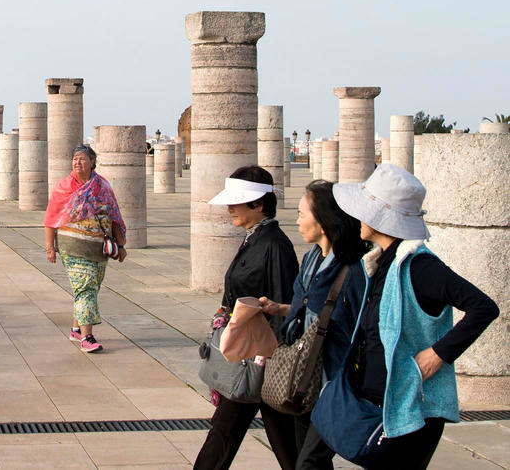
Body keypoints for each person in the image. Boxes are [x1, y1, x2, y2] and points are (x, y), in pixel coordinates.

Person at [327, 164, 498, 469]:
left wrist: (438, 354)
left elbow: (483, 307)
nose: (359, 218)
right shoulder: (381, 263)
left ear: (384, 217)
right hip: (385, 406)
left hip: (414, 413)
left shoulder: (421, 267)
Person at [193, 166, 299, 470]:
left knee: (229, 431)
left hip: (258, 359)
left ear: (259, 204)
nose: (230, 209)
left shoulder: (275, 245)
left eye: (236, 202)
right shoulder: (255, 238)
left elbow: (284, 304)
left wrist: (271, 360)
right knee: (281, 441)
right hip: (248, 354)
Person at [256, 180, 367, 470]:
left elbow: (362, 323)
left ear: (324, 221)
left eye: (302, 214)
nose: (297, 221)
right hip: (305, 378)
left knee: (308, 462)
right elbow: (308, 308)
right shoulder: (310, 259)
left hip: (332, 382)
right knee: (309, 460)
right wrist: (279, 309)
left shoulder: (353, 270)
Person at [43, 145, 127, 354]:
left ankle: (75, 329)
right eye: (74, 159)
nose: (77, 163)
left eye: (81, 159)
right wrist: (50, 248)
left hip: (98, 249)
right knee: (86, 288)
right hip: (72, 247)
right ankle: (87, 337)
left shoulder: (103, 187)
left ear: (92, 162)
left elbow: (114, 217)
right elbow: (51, 219)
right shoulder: (63, 187)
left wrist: (121, 244)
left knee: (89, 289)